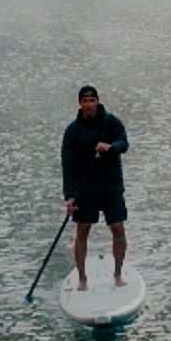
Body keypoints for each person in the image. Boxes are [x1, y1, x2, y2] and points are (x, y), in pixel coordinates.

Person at [61, 85, 130, 291]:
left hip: (111, 187)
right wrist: (70, 196)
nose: (89, 105)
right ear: (80, 104)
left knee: (118, 228)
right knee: (82, 231)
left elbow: (124, 143)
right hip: (86, 189)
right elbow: (67, 165)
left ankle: (118, 274)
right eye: (85, 101)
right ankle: (82, 279)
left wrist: (110, 148)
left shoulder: (111, 122)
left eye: (92, 101)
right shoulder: (72, 131)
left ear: (97, 102)